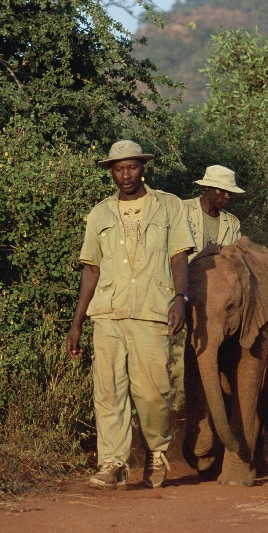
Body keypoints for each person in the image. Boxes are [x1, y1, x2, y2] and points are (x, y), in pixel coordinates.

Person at [66, 140, 195, 490]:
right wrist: (77, 322)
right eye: (119, 168)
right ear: (111, 171)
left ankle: (157, 450)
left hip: (152, 310)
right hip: (107, 313)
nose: (126, 175)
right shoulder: (99, 214)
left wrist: (180, 299)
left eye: (132, 167)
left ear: (143, 168)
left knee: (153, 393)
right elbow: (91, 269)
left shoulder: (167, 206)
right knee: (108, 391)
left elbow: (179, 255)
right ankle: (113, 462)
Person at [182, 165, 244, 259]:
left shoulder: (232, 224)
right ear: (207, 187)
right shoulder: (183, 211)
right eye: (222, 190)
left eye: (230, 192)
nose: (227, 196)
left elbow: (235, 258)